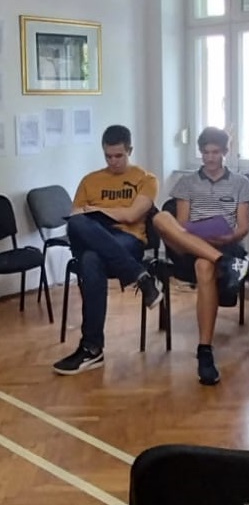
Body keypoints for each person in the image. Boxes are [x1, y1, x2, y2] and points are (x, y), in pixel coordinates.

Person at [53, 125, 161, 375]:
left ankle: (91, 348)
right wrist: (100, 216)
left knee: (92, 260)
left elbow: (132, 215)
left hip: (127, 239)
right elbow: (77, 217)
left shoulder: (146, 179)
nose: (113, 161)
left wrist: (99, 211)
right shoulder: (90, 180)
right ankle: (140, 277)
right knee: (77, 224)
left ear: (130, 150)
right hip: (94, 237)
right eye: (108, 156)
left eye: (119, 156)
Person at [153, 127, 249, 385]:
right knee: (161, 217)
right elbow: (182, 225)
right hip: (190, 243)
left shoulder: (241, 183)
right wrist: (196, 237)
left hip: (225, 244)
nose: (210, 158)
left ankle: (205, 351)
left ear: (225, 152)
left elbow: (243, 227)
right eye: (206, 153)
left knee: (204, 265)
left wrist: (225, 238)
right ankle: (227, 265)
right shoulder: (187, 183)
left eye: (215, 152)